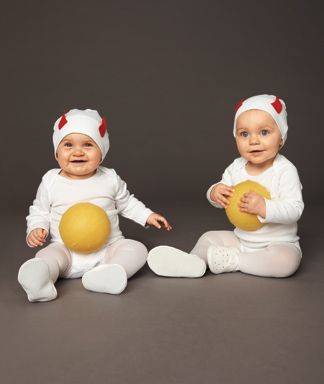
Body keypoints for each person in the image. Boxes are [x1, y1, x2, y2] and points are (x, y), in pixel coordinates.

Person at [18, 109, 171, 302]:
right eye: (68, 145)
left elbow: (126, 202)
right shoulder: (51, 181)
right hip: (66, 250)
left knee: (137, 249)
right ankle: (41, 281)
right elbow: (39, 211)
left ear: (102, 154)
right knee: (47, 256)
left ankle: (110, 273)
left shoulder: (110, 178)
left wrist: (147, 216)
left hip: (108, 249)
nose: (78, 152)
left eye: (88, 145)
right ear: (57, 153)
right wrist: (36, 228)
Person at [148, 94, 303, 279]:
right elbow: (221, 190)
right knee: (209, 237)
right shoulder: (236, 167)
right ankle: (193, 261)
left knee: (285, 262)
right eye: (244, 134)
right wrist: (214, 193)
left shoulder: (285, 170)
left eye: (264, 132)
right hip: (241, 239)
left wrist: (264, 207)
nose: (254, 141)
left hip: (277, 243)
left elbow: (295, 209)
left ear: (281, 137)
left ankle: (233, 260)